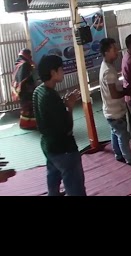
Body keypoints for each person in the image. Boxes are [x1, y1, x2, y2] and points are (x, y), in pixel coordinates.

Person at [33, 55, 86, 196]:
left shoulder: (38, 91)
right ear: (53, 72)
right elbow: (67, 128)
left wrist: (62, 104)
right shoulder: (51, 96)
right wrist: (69, 106)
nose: (63, 71)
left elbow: (45, 117)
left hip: (47, 145)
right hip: (64, 149)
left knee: (53, 175)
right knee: (75, 184)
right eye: (61, 69)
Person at [99, 39, 131, 167]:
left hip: (110, 110)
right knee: (123, 136)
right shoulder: (108, 71)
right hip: (115, 111)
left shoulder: (106, 66)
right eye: (114, 50)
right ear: (106, 52)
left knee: (115, 132)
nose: (117, 52)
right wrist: (127, 91)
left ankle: (118, 155)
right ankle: (129, 159)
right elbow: (114, 94)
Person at [11, 48, 37, 130]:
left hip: (21, 90)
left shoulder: (19, 63)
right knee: (28, 108)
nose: (30, 56)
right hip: (26, 90)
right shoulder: (25, 64)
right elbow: (23, 78)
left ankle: (25, 124)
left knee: (25, 108)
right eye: (29, 55)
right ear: (26, 55)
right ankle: (28, 125)